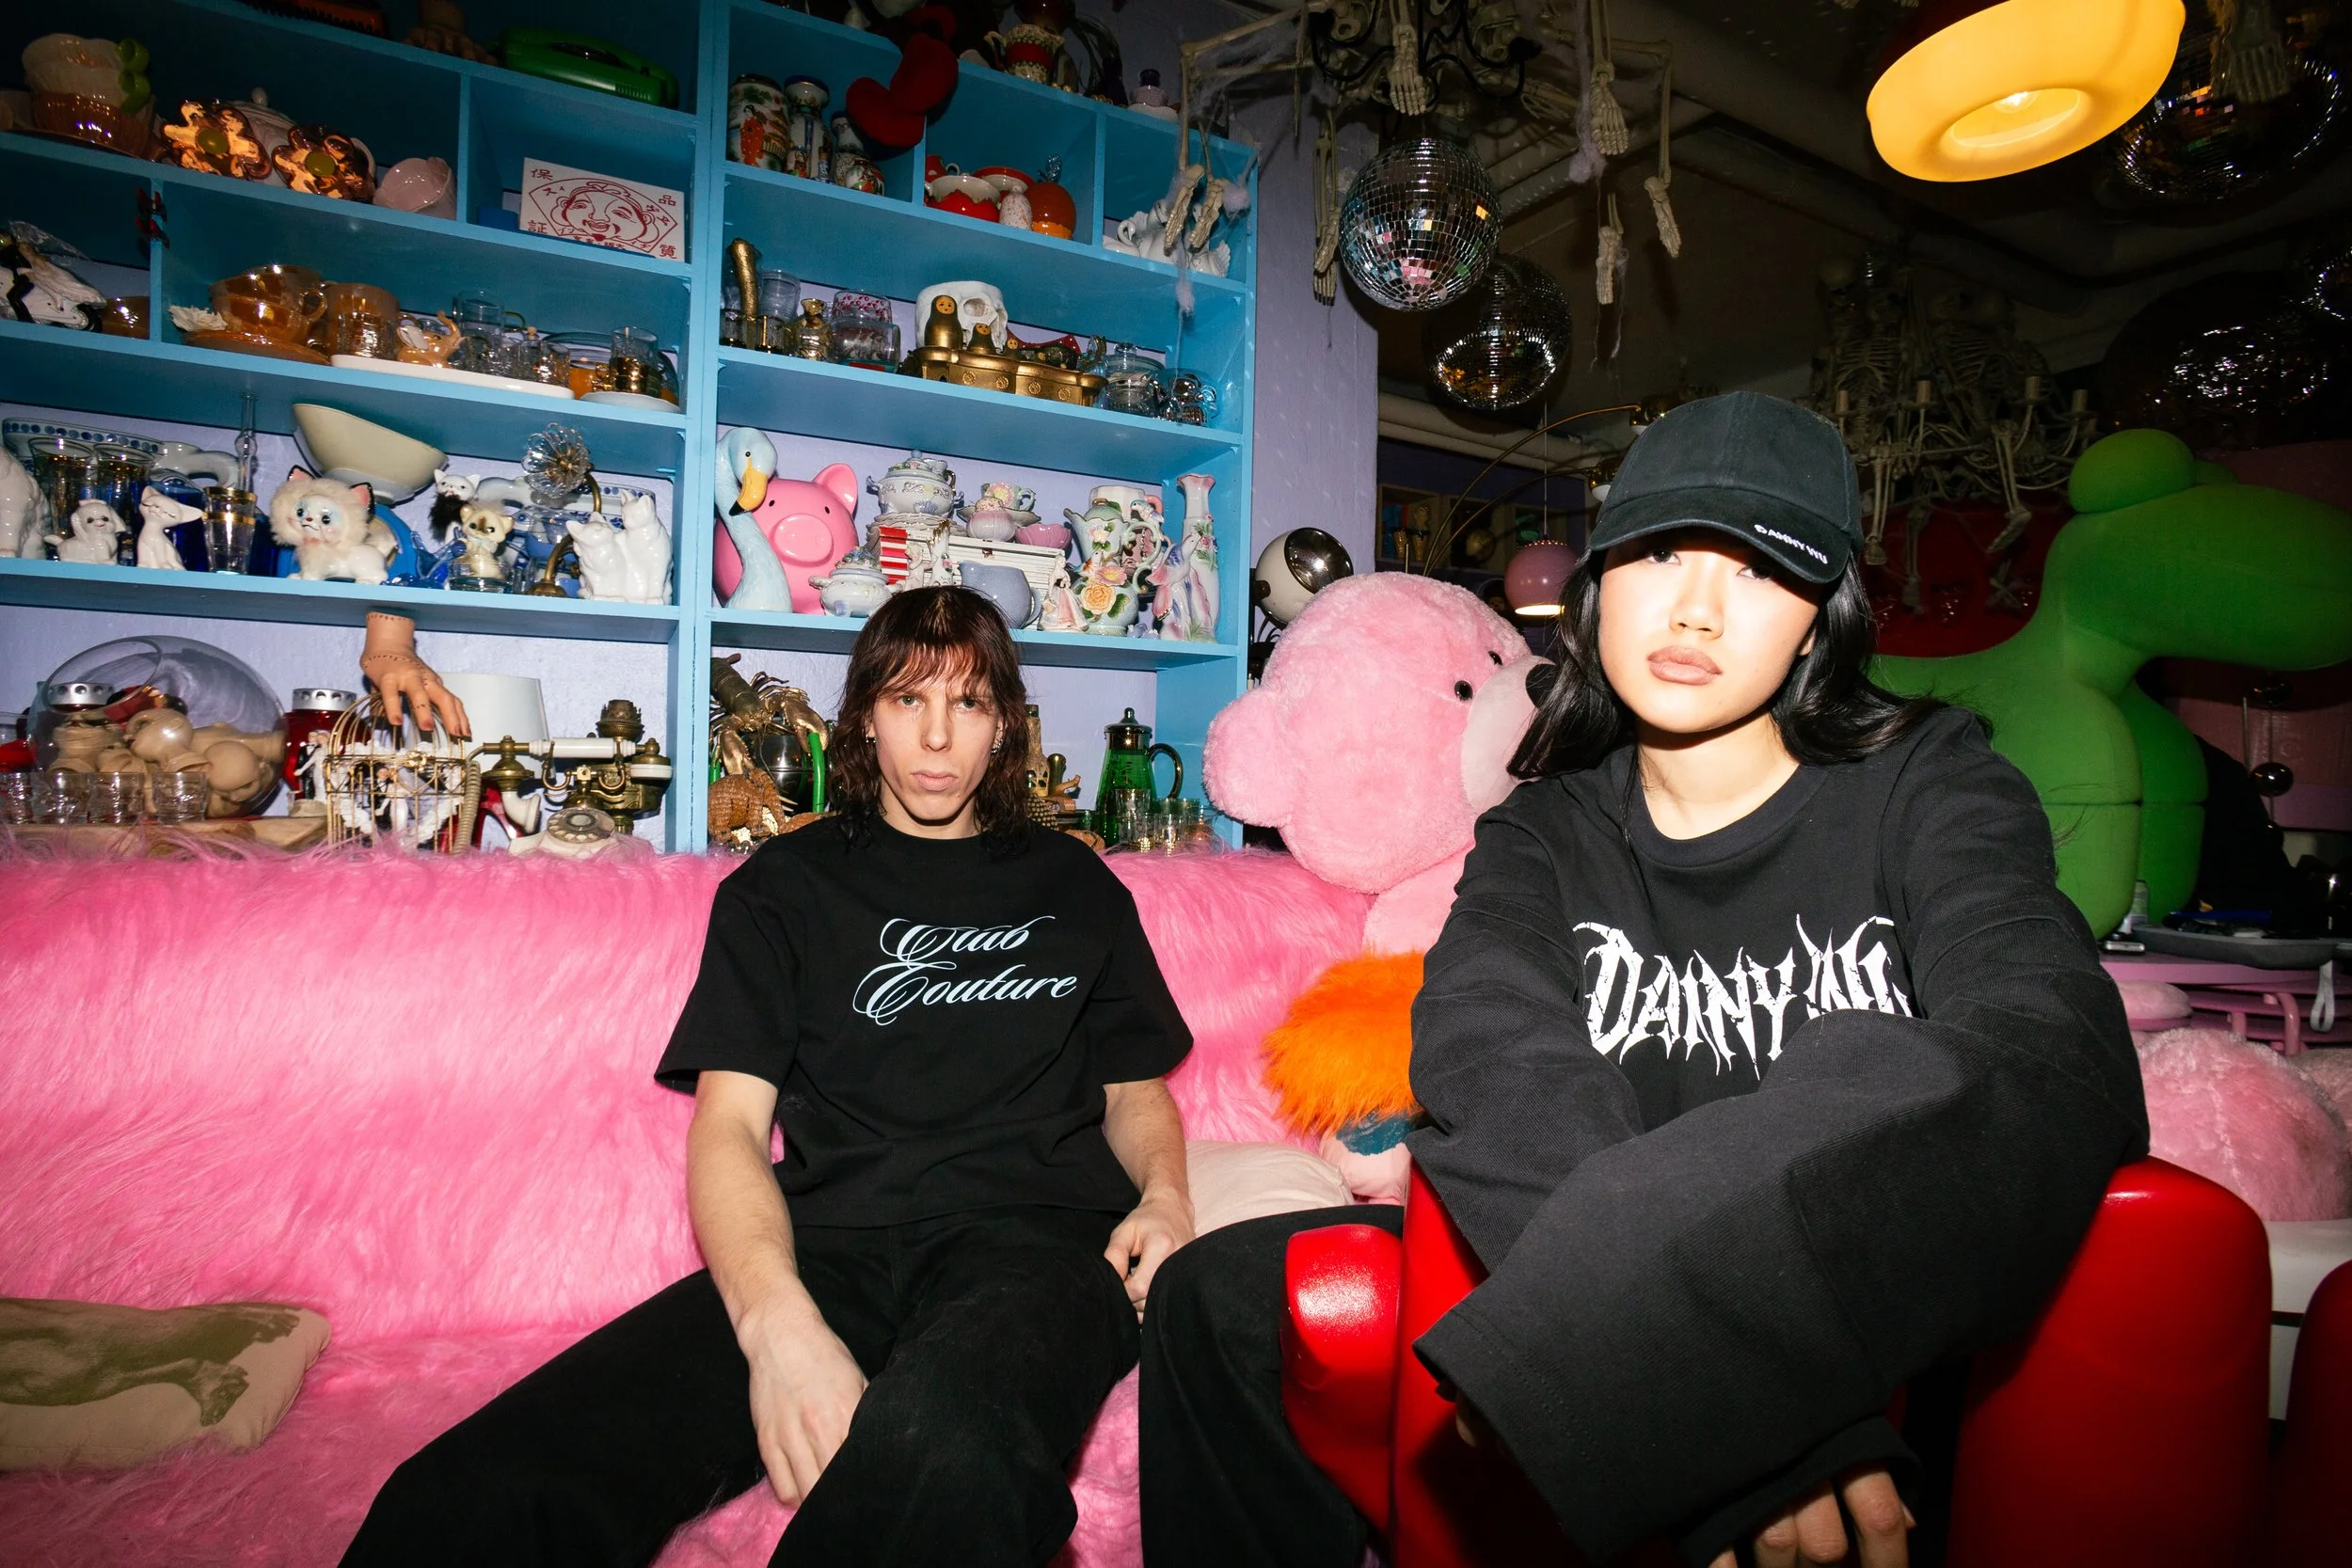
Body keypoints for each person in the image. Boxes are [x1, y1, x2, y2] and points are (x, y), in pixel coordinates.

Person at [1139, 392, 2148, 1568]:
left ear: (1816, 623)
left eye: (1762, 569)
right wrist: (1715, 1385)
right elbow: (1494, 1059)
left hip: (1870, 1308)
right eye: (1662, 551)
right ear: (1599, 586)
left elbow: (2047, 1044)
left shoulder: (1930, 784)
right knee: (1215, 1293)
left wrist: (1733, 1349)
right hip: (1584, 1252)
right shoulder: (1538, 830)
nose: (1698, 607)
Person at [343, 586, 1196, 1568]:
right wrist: (775, 1323)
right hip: (826, 1244)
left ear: (1003, 724)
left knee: (944, 1454)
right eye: (907, 699)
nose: (936, 735)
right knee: (471, 1492)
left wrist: (1167, 1198)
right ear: (864, 717)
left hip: (1038, 1242)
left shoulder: (1076, 884)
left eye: (967, 703)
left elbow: (1134, 1088)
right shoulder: (782, 888)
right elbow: (729, 1127)